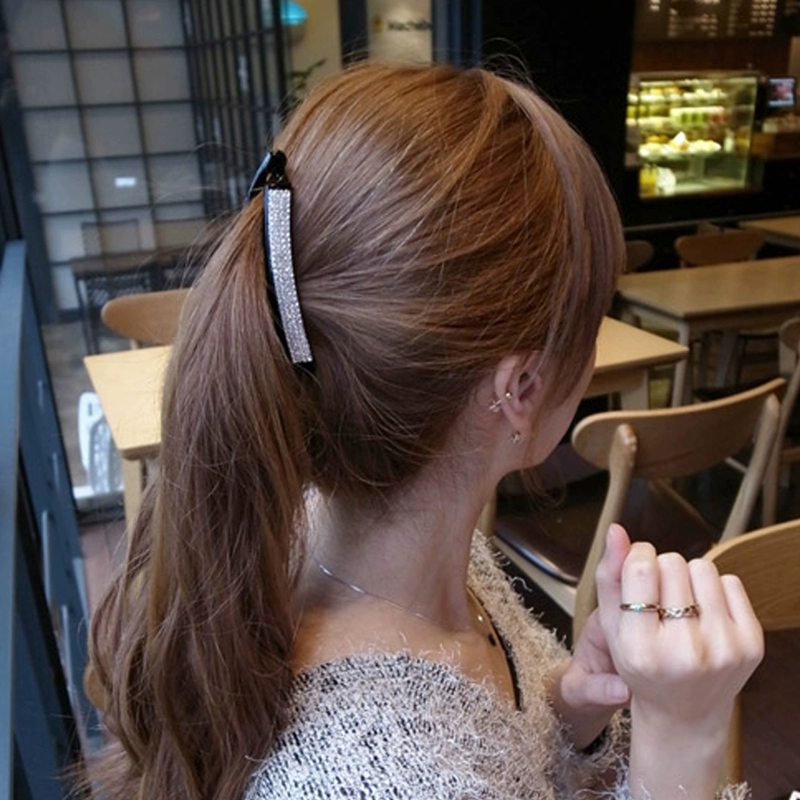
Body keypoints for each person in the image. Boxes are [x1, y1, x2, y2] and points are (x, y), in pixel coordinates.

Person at [86, 63, 763, 800]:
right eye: (594, 317)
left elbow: (507, 760)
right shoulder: (365, 777)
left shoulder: (406, 543)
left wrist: (569, 715)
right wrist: (685, 740)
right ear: (521, 388)